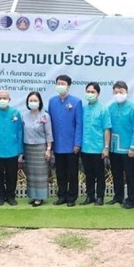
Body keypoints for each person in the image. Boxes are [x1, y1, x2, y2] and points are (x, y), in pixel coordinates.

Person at [48, 74, 83, 207]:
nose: (60, 86)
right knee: (60, 172)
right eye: (58, 83)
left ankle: (72, 197)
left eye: (63, 83)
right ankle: (61, 195)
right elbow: (49, 123)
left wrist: (77, 143)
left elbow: (79, 124)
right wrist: (50, 144)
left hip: (71, 145)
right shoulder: (52, 101)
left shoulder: (76, 102)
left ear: (68, 86)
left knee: (72, 173)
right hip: (58, 144)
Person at [0, 90, 23, 206]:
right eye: (0, 98)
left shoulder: (15, 113)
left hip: (12, 149)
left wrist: (20, 149)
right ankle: (0, 196)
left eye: (5, 98)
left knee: (12, 175)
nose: (2, 100)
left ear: (9, 100)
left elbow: (20, 132)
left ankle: (11, 196)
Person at [108, 81, 134, 209]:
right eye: (116, 92)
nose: (118, 94)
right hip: (113, 148)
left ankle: (131, 199)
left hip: (128, 149)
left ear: (126, 92)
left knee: (130, 175)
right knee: (116, 173)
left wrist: (133, 147)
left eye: (121, 92)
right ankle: (118, 196)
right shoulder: (110, 108)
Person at [80, 83, 111, 206]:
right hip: (85, 148)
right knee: (88, 174)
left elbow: (106, 129)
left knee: (99, 174)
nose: (90, 94)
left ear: (98, 94)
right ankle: (90, 196)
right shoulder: (83, 109)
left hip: (98, 148)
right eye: (88, 91)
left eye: (92, 92)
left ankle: (100, 197)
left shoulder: (103, 109)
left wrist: (106, 147)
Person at [22, 91, 53, 207]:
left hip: (41, 147)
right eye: (31, 100)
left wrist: (48, 149)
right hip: (28, 148)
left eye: (35, 100)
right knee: (31, 174)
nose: (33, 102)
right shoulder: (24, 116)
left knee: (40, 174)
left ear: (39, 102)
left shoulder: (45, 116)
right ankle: (33, 195)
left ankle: (40, 198)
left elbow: (49, 134)